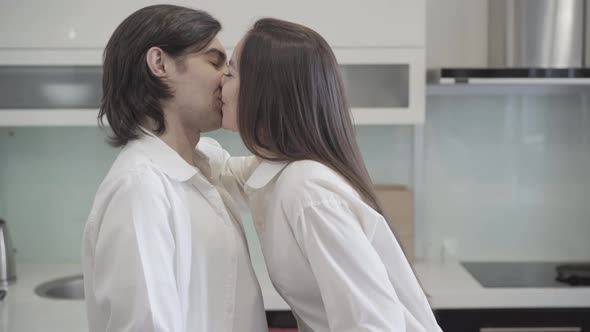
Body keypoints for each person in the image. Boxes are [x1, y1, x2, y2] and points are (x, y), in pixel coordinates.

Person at [220, 18, 442, 332]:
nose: (220, 85)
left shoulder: (307, 191)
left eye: (229, 73)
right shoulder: (281, 172)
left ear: (265, 90)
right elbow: (220, 168)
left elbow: (373, 326)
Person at [82, 5, 267, 332]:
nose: (227, 76)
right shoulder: (140, 189)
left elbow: (267, 172)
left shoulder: (203, 162)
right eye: (215, 60)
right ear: (160, 63)